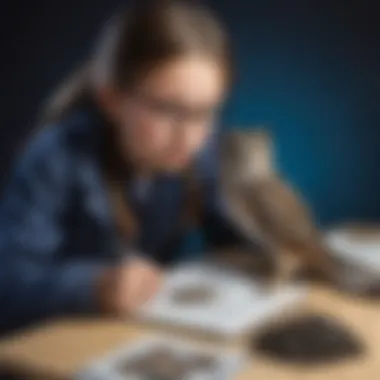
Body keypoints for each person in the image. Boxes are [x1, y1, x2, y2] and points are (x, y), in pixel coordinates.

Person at [0, 0, 250, 334]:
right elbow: (9, 282)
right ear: (112, 100)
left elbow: (234, 237)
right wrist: (95, 287)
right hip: (54, 344)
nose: (189, 137)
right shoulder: (55, 157)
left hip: (134, 334)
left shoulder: (198, 149)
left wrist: (269, 228)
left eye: (206, 112)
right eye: (166, 109)